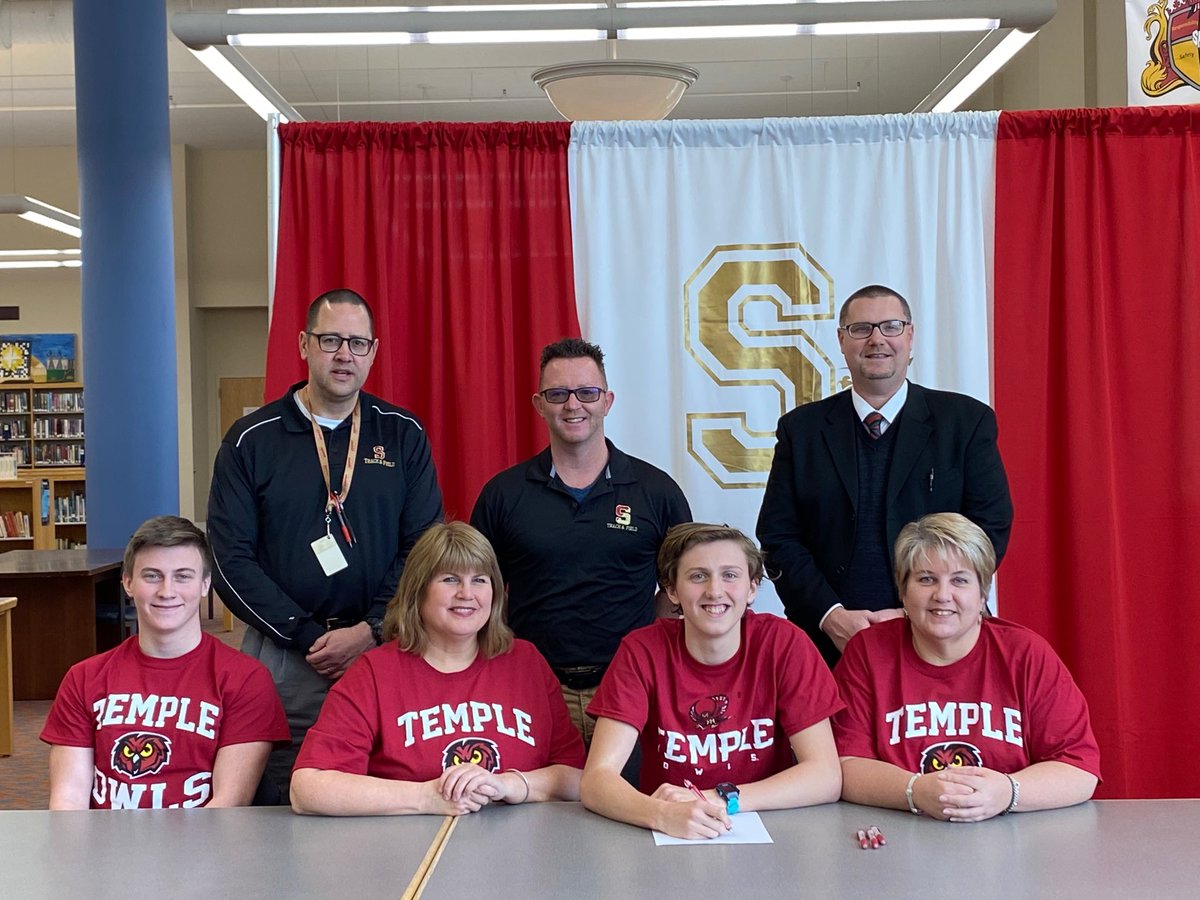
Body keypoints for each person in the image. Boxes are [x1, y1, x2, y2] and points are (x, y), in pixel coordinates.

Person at [207, 288, 444, 795]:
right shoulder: (253, 439)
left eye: (357, 343)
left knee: (387, 778)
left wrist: (372, 630)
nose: (344, 354)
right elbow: (230, 560)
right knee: (278, 790)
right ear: (303, 344)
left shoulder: (403, 434)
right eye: (331, 339)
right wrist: (307, 636)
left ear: (373, 352)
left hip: (388, 650)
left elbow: (423, 550)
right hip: (286, 655)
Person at [757, 283, 1013, 666]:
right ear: (842, 341)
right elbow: (779, 537)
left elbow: (989, 528)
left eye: (890, 326)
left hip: (941, 635)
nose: (877, 339)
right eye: (861, 329)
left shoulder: (965, 422)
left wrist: (915, 611)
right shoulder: (802, 431)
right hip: (828, 643)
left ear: (910, 336)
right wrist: (830, 615)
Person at [470, 337, 691, 745]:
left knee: (627, 803)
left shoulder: (656, 491)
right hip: (531, 689)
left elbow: (684, 586)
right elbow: (475, 591)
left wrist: (646, 643)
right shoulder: (503, 494)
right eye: (558, 394)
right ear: (539, 404)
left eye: (586, 393)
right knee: (537, 805)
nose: (573, 405)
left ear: (607, 400)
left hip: (631, 688)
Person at [290, 522, 585, 816]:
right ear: (418, 591)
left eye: (480, 580)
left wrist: (511, 785)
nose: (466, 593)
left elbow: (577, 779)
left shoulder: (526, 662)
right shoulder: (374, 673)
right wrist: (425, 797)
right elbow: (308, 789)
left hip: (521, 852)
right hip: (408, 852)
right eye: (450, 579)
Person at [580, 523, 843, 840]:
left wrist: (717, 799)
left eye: (730, 575)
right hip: (670, 834)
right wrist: (661, 814)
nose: (715, 590)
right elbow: (596, 780)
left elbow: (826, 776)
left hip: (768, 830)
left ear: (752, 588)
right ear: (672, 590)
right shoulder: (641, 650)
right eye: (697, 576)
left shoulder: (785, 643)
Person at [833, 513, 1100, 822]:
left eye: (960, 580)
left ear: (983, 592)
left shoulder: (1026, 654)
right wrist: (914, 791)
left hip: (1013, 841)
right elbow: (845, 764)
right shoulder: (867, 652)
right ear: (903, 590)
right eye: (926, 579)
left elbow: (1079, 769)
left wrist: (1008, 792)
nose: (942, 595)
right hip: (898, 835)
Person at [40, 516, 289, 810]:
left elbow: (228, 805)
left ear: (205, 584)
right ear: (128, 583)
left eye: (183, 576)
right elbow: (68, 802)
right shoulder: (84, 678)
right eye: (152, 576)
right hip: (104, 850)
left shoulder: (245, 679)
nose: (167, 591)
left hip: (202, 849)